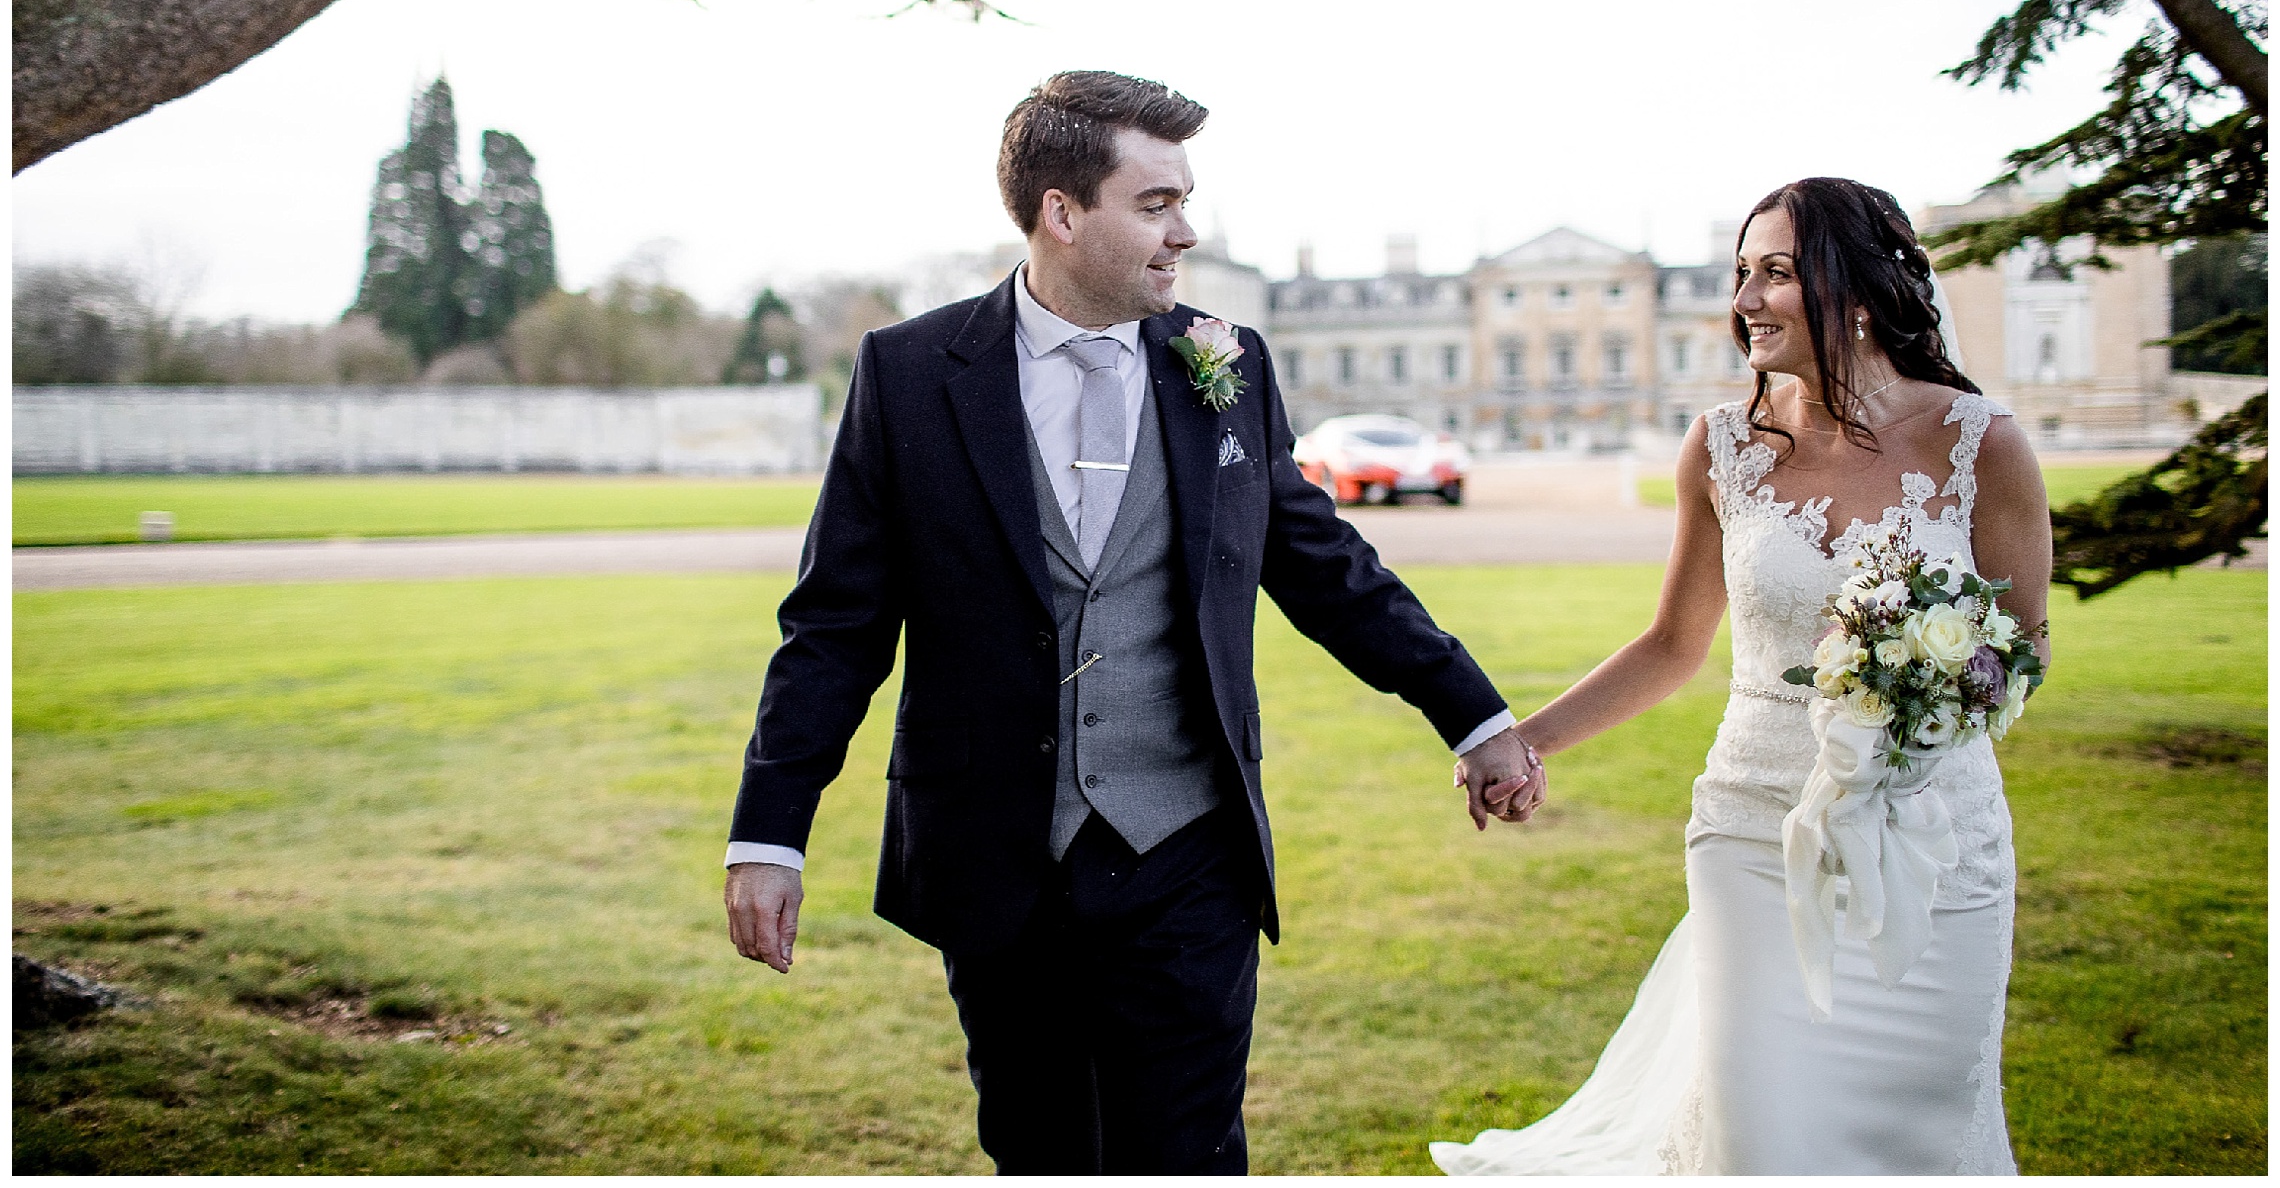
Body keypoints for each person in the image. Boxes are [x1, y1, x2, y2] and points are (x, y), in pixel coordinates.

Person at [723, 70, 1543, 1175]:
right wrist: (769, 831)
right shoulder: (911, 374)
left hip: (1186, 854)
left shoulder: (1226, 362)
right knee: (1040, 1149)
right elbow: (835, 625)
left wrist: (1473, 714)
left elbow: (1323, 567)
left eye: (1185, 201)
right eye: (1155, 203)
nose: (1185, 231)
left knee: (1190, 1154)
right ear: (1062, 213)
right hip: (998, 853)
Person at [1435, 177, 2051, 1176]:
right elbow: (1673, 642)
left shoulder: (1981, 442)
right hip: (1754, 832)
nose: (1746, 299)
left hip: (1938, 841)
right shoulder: (1723, 445)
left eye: (1775, 272)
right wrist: (1524, 739)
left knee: (1921, 1129)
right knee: (1761, 1127)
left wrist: (1917, 695)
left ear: (1853, 289)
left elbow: (2022, 648)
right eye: (1740, 274)